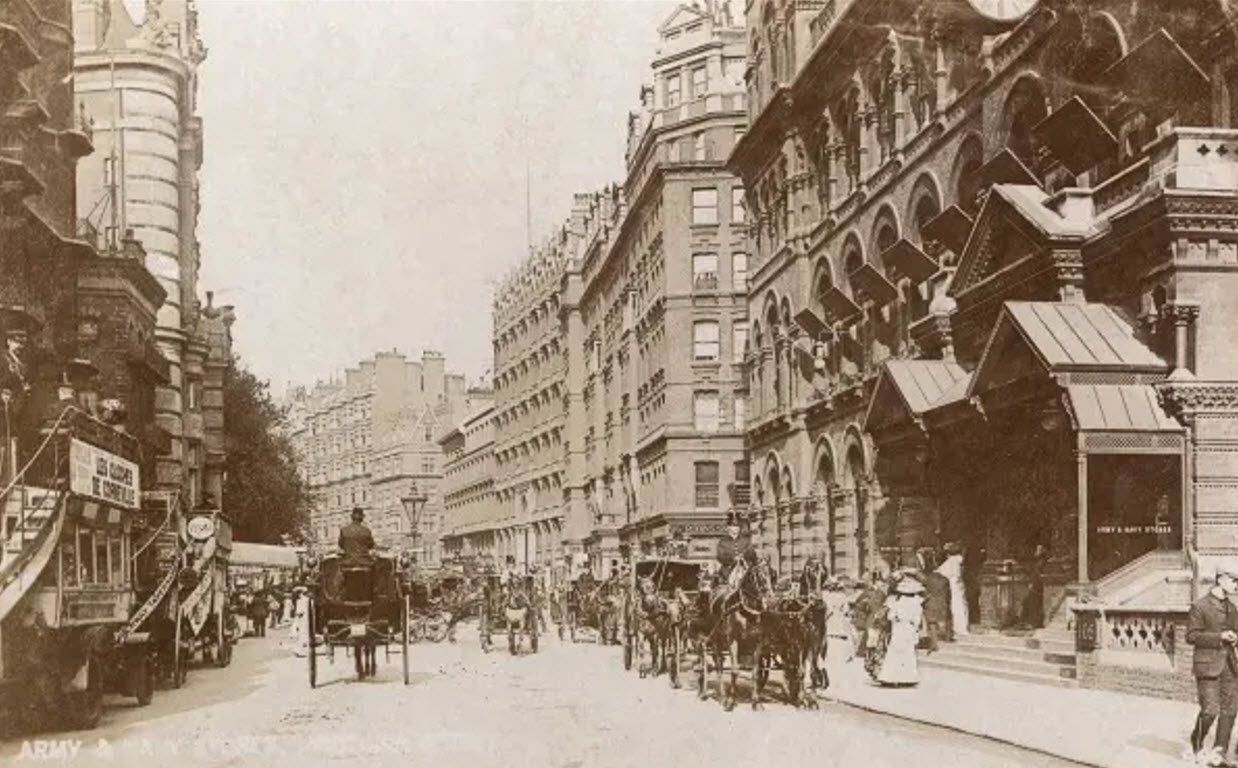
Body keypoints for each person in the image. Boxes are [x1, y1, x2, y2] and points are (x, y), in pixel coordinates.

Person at [1187, 565, 1238, 766]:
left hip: (1230, 665)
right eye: (1234, 580)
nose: (1236, 585)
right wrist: (1219, 637)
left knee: (1230, 709)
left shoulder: (1233, 608)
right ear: (1221, 579)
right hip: (1207, 664)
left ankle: (1219, 751)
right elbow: (1191, 636)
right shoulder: (1200, 606)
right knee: (1210, 710)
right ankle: (1197, 743)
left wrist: (1235, 638)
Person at [877, 573, 925, 687]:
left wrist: (897, 619)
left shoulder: (897, 602)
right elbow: (917, 619)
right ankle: (908, 677)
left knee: (895, 652)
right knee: (908, 653)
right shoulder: (916, 603)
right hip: (909, 628)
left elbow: (890, 616)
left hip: (898, 628)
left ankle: (891, 677)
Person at [936, 542, 969, 637]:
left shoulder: (952, 561)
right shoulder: (959, 560)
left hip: (953, 585)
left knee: (956, 606)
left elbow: (941, 572)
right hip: (958, 585)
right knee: (962, 605)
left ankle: (958, 627)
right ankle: (962, 626)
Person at [715, 511, 752, 591]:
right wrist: (733, 559)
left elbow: (751, 553)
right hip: (728, 569)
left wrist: (744, 557)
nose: (735, 529)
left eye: (737, 527)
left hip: (744, 568)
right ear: (728, 528)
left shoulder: (745, 541)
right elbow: (720, 556)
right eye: (732, 526)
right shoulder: (723, 541)